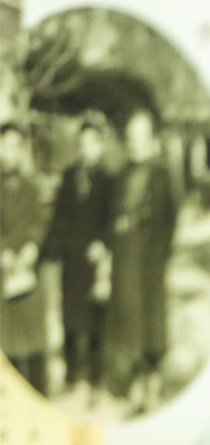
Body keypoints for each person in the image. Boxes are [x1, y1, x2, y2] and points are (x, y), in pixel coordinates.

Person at [105, 108, 177, 413]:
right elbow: (112, 215)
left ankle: (153, 382)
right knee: (129, 324)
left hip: (150, 260)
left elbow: (169, 219)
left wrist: (158, 255)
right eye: (130, 137)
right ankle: (135, 384)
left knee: (151, 323)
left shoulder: (161, 175)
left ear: (152, 140)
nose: (134, 144)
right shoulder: (122, 175)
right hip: (125, 259)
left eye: (141, 137)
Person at [42, 115, 115, 403]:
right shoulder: (69, 175)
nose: (87, 148)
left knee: (97, 318)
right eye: (82, 142)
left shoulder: (110, 180)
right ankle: (73, 375)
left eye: (92, 142)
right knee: (69, 316)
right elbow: (58, 216)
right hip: (72, 258)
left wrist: (104, 243)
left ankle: (96, 379)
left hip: (96, 259)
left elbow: (112, 218)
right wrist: (52, 248)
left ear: (101, 145)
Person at [0, 120, 51, 394]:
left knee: (33, 343)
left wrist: (32, 245)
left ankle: (38, 397)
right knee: (7, 344)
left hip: (29, 272)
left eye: (16, 146)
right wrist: (4, 252)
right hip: (3, 273)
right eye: (6, 146)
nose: (11, 152)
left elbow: (40, 220)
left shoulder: (33, 187)